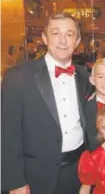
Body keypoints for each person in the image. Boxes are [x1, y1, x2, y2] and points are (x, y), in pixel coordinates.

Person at [1, 12, 91, 194]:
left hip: (79, 172)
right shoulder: (18, 77)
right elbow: (7, 134)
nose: (63, 40)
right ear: (44, 37)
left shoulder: (85, 76)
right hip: (36, 177)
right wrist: (15, 181)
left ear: (77, 40)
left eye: (70, 34)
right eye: (56, 33)